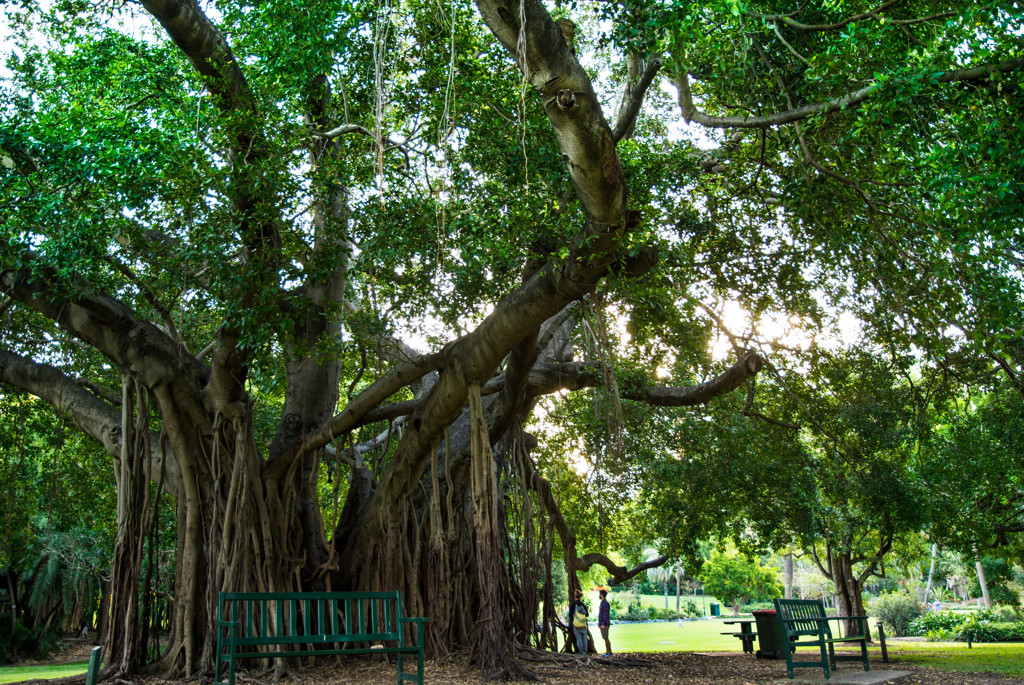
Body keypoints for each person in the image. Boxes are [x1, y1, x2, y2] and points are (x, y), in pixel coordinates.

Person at [568, 589, 589, 657]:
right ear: (581, 597)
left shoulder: (573, 604)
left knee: (579, 638)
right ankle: (585, 651)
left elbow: (570, 614)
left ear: (575, 596)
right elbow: (587, 614)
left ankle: (581, 652)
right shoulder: (583, 605)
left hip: (576, 624)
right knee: (584, 638)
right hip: (583, 624)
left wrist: (574, 619)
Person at [597, 588, 612, 657]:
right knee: (605, 638)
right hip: (602, 623)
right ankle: (608, 652)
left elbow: (605, 615)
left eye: (599, 594)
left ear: (602, 595)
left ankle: (609, 652)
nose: (599, 595)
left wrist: (603, 624)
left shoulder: (605, 603)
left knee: (606, 638)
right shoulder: (602, 603)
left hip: (604, 624)